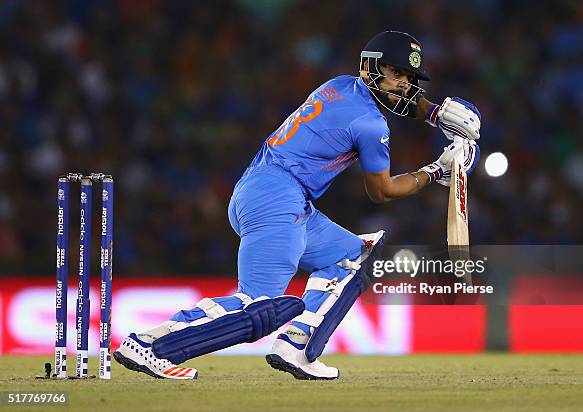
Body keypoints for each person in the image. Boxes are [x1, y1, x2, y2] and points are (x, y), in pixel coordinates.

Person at [113, 30, 481, 380]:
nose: (405, 84)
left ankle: (298, 347)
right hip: (277, 200)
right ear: (371, 68)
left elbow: (395, 99)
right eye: (398, 73)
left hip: (274, 195)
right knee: (257, 305)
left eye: (411, 76)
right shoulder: (370, 124)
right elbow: (381, 192)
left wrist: (434, 113)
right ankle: (149, 344)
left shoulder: (338, 86)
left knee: (354, 256)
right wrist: (435, 172)